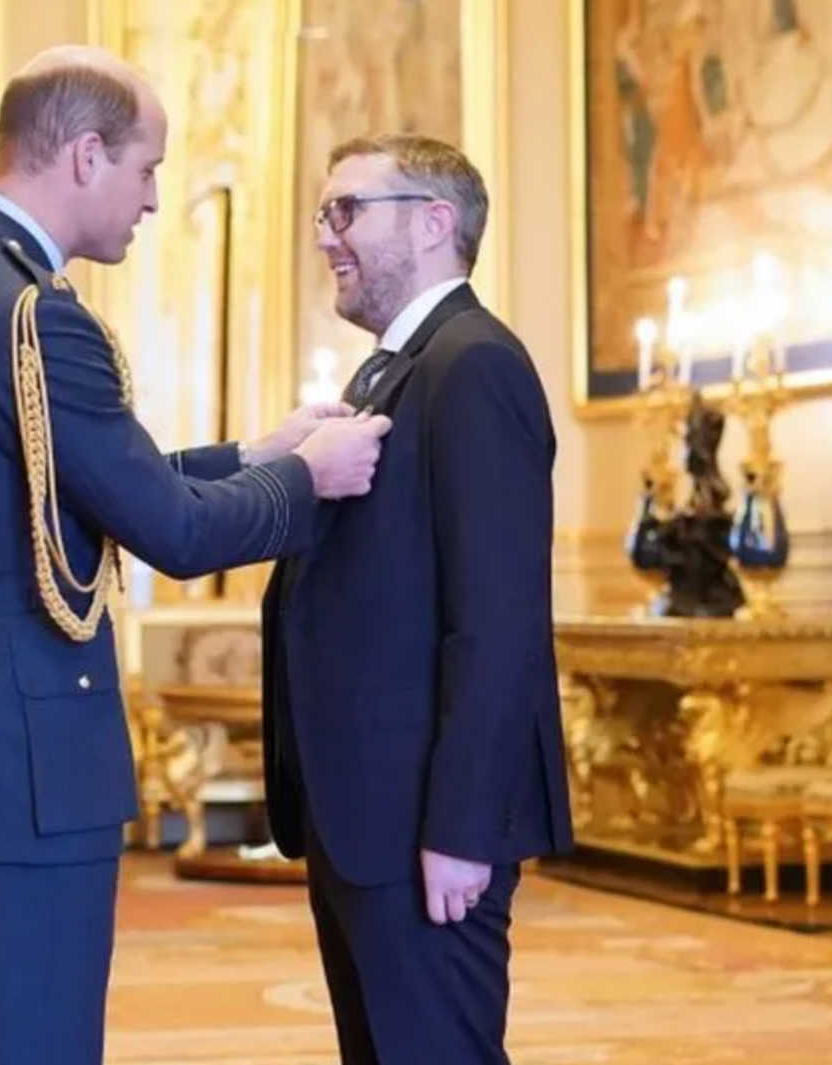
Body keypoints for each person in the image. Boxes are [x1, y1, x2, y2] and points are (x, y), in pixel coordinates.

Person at [0, 46, 391, 1063]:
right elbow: (172, 535)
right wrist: (308, 479)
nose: (152, 201)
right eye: (147, 170)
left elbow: (60, 487)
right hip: (25, 767)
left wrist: (254, 454)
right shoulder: (35, 316)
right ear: (87, 155)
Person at [260, 133, 574, 1065]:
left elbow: (497, 619)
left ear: (436, 223)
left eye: (348, 209)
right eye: (325, 213)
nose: (327, 236)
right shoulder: (390, 369)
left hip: (422, 824)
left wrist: (462, 827)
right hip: (363, 812)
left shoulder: (473, 363)